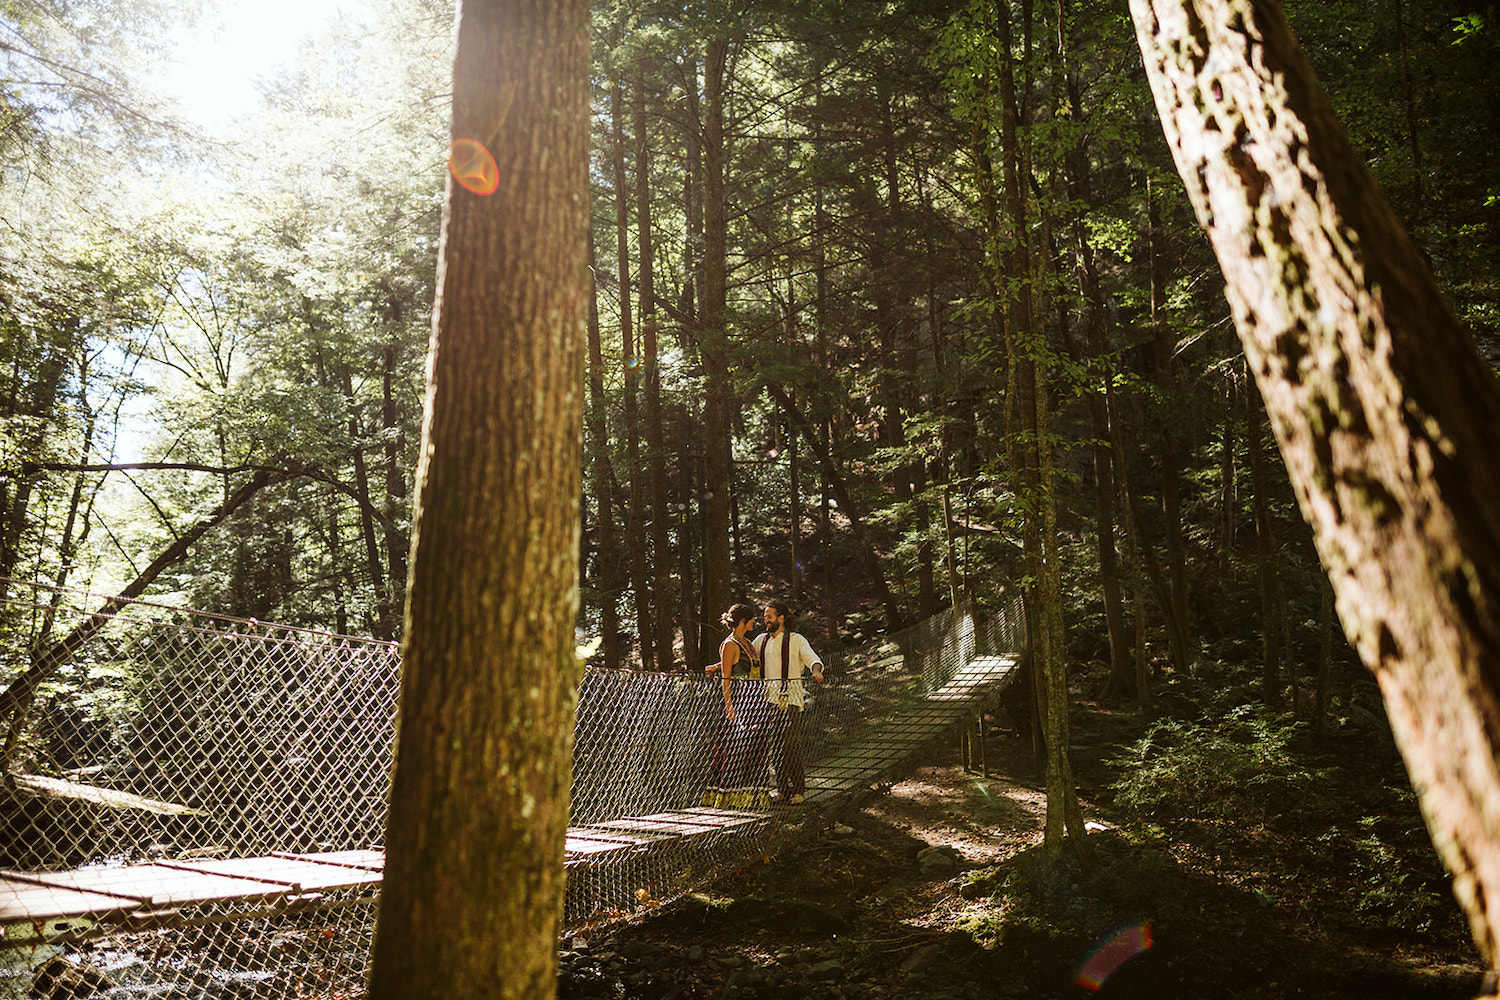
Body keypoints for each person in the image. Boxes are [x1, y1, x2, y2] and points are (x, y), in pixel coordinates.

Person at [755, 601, 825, 805]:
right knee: (775, 747)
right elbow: (743, 656)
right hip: (767, 702)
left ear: (781, 618)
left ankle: (799, 790)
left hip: (790, 700)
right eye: (764, 616)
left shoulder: (796, 640)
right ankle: (782, 790)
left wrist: (816, 671)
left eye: (769, 616)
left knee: (790, 745)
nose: (765, 620)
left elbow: (813, 659)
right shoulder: (761, 640)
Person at [701, 604, 768, 808]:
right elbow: (727, 676)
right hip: (739, 700)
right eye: (751, 619)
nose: (754, 622)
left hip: (754, 700)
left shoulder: (746, 642)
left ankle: (749, 794)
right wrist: (729, 705)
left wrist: (715, 665)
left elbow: (732, 662)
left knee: (754, 746)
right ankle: (729, 795)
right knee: (735, 747)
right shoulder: (730, 643)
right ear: (743, 621)